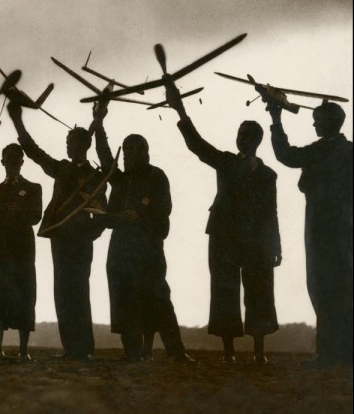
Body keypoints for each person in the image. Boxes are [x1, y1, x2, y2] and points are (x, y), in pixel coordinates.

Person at [165, 82, 280, 364]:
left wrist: (275, 245)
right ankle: (229, 353)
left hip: (256, 239)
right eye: (240, 135)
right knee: (224, 290)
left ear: (257, 140)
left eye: (249, 136)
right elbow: (197, 145)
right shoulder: (226, 162)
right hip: (224, 235)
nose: (243, 139)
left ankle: (258, 353)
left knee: (260, 292)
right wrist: (179, 108)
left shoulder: (268, 175)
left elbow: (271, 212)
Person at [93, 108, 194, 363]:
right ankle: (133, 352)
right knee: (123, 298)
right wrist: (99, 122)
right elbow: (105, 157)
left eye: (134, 150)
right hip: (120, 248)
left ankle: (176, 351)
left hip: (148, 248)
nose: (128, 155)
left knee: (159, 297)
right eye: (126, 150)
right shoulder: (120, 179)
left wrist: (140, 213)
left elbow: (165, 208)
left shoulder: (156, 176)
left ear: (145, 153)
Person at [7, 102, 106, 360]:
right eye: (67, 142)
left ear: (84, 145)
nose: (68, 147)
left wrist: (91, 233)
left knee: (79, 290)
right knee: (62, 290)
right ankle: (70, 348)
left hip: (81, 239)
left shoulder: (96, 176)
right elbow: (34, 152)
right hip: (60, 235)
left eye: (72, 142)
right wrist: (17, 120)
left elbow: (101, 212)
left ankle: (84, 348)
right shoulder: (61, 167)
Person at [263, 98, 352, 367]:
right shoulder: (346, 150)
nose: (313, 123)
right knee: (342, 289)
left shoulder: (322, 150)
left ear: (328, 122)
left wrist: (276, 119)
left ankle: (328, 354)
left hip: (322, 228)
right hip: (344, 228)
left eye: (317, 119)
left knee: (323, 287)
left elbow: (286, 155)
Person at [0, 143, 42, 361]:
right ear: (3, 161)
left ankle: (24, 349)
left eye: (17, 158)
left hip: (23, 251)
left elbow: (36, 216)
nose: (13, 162)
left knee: (25, 296)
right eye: (9, 158)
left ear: (22, 162)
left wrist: (17, 211)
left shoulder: (34, 187)